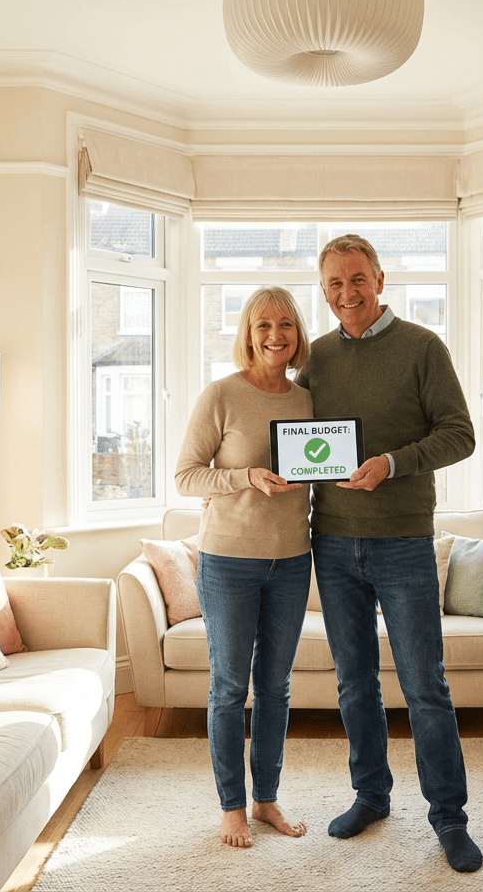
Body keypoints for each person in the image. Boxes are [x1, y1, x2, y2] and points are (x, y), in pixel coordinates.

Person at [295, 234, 482, 872]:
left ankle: (449, 819)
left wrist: (393, 464)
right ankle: (371, 796)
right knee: (354, 683)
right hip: (333, 543)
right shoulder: (315, 357)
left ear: (379, 279)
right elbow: (292, 430)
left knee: (425, 687)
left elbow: (460, 434)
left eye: (356, 280)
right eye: (333, 285)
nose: (346, 294)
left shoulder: (423, 347)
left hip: (403, 541)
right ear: (323, 292)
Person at [174, 286, 314, 848]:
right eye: (263, 325)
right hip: (228, 561)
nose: (275, 336)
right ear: (248, 333)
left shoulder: (308, 400)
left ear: (298, 333)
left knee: (276, 688)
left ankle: (266, 801)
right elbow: (186, 476)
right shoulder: (221, 394)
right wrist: (244, 477)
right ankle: (231, 807)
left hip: (292, 561)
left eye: (285, 324)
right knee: (230, 687)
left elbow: (320, 461)